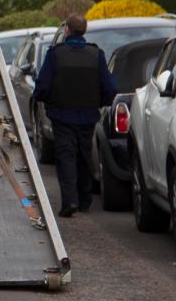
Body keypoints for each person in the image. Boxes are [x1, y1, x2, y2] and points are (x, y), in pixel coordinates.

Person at [32, 14, 117, 218]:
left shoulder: (55, 54)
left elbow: (42, 85)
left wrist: (41, 98)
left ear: (67, 30)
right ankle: (84, 199)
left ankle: (70, 200)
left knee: (66, 157)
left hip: (61, 117)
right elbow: (111, 87)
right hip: (87, 117)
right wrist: (99, 102)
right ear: (84, 31)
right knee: (84, 156)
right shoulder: (96, 55)